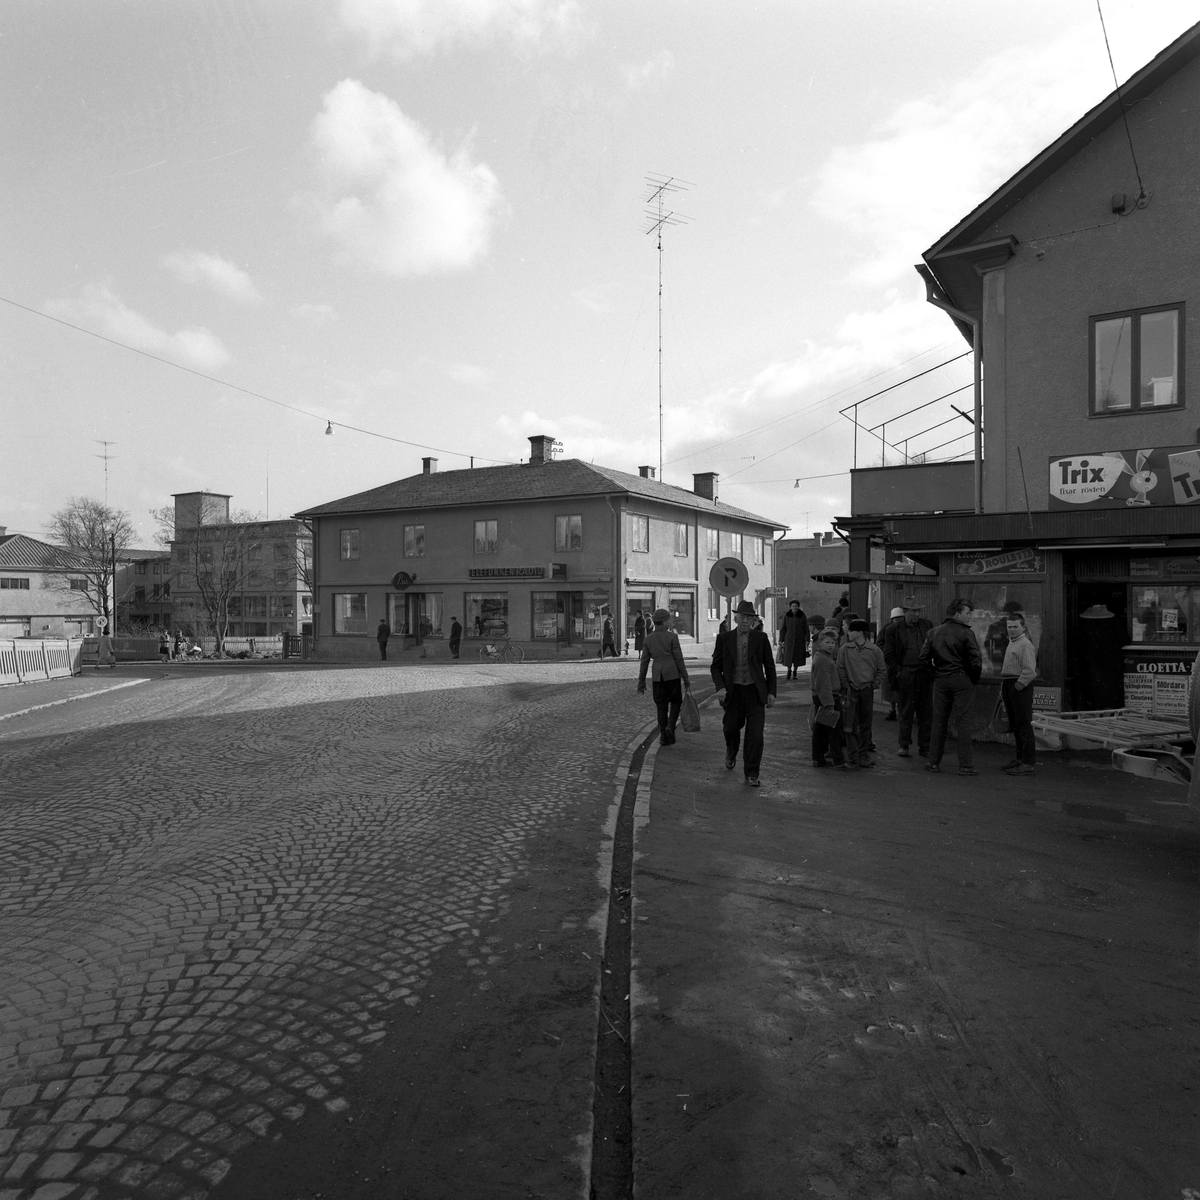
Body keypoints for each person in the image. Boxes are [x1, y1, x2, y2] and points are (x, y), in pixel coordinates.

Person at [710, 599, 777, 787]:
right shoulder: (724, 639)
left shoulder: (761, 639)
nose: (745, 620)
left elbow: (770, 667)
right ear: (736, 618)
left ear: (754, 620)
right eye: (742, 617)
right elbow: (715, 667)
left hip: (755, 692)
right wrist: (720, 687)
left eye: (749, 617)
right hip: (734, 692)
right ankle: (731, 750)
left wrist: (771, 692)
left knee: (755, 735)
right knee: (730, 728)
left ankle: (751, 773)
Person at [921, 598, 983, 776]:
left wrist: (935, 675)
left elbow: (923, 659)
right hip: (962, 679)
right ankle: (965, 765)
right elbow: (976, 660)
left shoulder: (933, 632)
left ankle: (933, 762)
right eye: (967, 613)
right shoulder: (966, 633)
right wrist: (973, 679)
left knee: (939, 722)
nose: (970, 616)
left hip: (941, 679)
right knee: (963, 723)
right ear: (957, 614)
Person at [882, 596, 933, 758]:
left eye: (918, 611)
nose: (917, 614)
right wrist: (899, 672)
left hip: (925, 673)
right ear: (905, 612)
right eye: (913, 611)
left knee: (926, 712)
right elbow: (888, 654)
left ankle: (925, 745)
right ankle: (904, 745)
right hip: (906, 674)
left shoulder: (927, 625)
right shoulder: (893, 630)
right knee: (905, 711)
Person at [837, 619, 886, 768]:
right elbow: (840, 668)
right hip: (851, 690)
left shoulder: (874, 650)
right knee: (850, 723)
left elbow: (881, 670)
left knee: (865, 724)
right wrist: (846, 685)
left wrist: (873, 685)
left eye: (851, 630)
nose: (848, 633)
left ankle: (863, 754)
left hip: (866, 690)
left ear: (859, 633)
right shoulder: (844, 649)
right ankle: (853, 755)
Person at [637, 607, 691, 746]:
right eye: (669, 619)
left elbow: (644, 662)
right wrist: (685, 678)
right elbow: (679, 659)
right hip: (672, 674)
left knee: (661, 707)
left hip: (657, 677)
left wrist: (641, 682)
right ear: (665, 621)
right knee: (675, 702)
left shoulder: (649, 639)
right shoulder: (672, 637)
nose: (670, 622)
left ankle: (663, 737)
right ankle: (670, 727)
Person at [999, 612, 1038, 776]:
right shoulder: (1012, 642)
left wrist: (1017, 688)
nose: (1012, 630)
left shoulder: (1024, 644)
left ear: (1023, 627)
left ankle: (1028, 762)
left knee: (1024, 726)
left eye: (1015, 626)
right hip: (1009, 684)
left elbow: (1030, 671)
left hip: (1019, 686)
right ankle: (1020, 759)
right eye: (1009, 627)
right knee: (1015, 725)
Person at [810, 627, 847, 768]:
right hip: (827, 698)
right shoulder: (823, 660)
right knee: (834, 731)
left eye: (833, 642)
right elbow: (823, 684)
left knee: (821, 730)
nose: (831, 645)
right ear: (820, 644)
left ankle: (818, 758)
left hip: (823, 698)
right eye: (827, 642)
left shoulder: (822, 657)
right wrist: (829, 704)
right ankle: (839, 761)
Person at [878, 606, 904, 720]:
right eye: (896, 619)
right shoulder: (886, 628)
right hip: (890, 662)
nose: (898, 621)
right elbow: (880, 643)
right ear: (891, 619)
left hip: (903, 662)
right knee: (891, 689)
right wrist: (888, 653)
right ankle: (892, 710)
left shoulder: (906, 628)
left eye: (900, 618)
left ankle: (901, 712)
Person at [778, 599, 810, 681]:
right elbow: (783, 628)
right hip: (789, 639)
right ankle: (789, 671)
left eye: (796, 606)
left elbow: (806, 629)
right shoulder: (787, 615)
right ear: (790, 607)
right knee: (788, 656)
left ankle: (795, 671)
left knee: (797, 657)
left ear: (798, 607)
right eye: (793, 606)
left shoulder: (802, 615)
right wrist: (781, 640)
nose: (794, 608)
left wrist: (807, 640)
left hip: (799, 640)